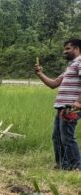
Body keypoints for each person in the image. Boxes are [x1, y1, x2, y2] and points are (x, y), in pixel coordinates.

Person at [35, 38, 81, 171]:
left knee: (67, 137)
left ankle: (77, 166)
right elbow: (54, 84)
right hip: (62, 107)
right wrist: (40, 74)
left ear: (77, 48)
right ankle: (63, 165)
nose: (64, 51)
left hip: (71, 107)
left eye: (68, 48)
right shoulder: (70, 66)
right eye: (64, 49)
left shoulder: (80, 62)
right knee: (57, 137)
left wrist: (78, 102)